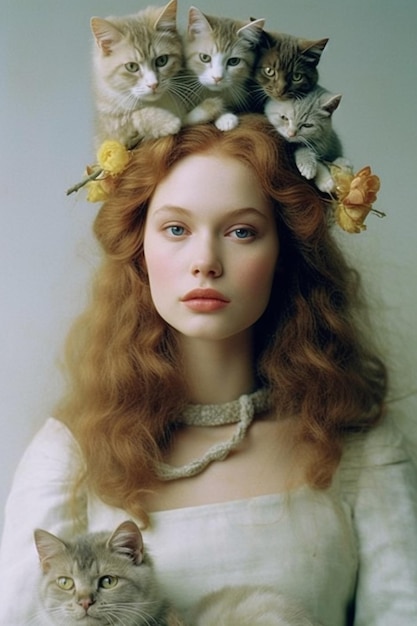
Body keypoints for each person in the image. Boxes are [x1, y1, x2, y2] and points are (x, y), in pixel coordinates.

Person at [0, 114, 416, 625]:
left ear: (284, 252)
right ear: (140, 247)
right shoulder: (69, 456)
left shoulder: (356, 445)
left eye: (242, 231)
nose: (205, 261)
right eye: (176, 228)